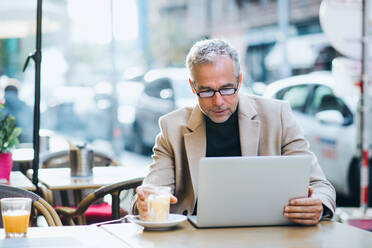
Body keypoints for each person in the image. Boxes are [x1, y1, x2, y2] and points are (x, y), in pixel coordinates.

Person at [134, 39, 336, 225]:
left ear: (239, 81)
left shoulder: (277, 116)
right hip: (195, 238)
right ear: (192, 86)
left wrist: (318, 204)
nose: (218, 101)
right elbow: (150, 193)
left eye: (227, 88)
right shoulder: (172, 128)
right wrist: (146, 202)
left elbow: (320, 185)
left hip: (268, 235)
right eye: (206, 91)